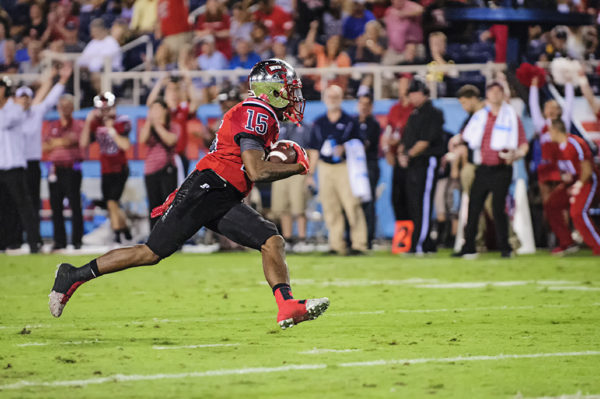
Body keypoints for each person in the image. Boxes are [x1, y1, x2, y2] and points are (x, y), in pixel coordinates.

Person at [49, 59, 329, 331]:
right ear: (272, 89)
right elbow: (256, 170)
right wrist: (297, 166)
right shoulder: (259, 111)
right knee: (150, 253)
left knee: (271, 240)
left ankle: (287, 305)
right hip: (209, 189)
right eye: (289, 87)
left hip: (222, 193)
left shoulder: (257, 113)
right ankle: (73, 275)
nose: (294, 95)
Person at [453, 81, 529, 258]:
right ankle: (468, 246)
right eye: (492, 91)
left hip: (502, 168)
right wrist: (457, 140)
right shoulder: (480, 117)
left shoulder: (511, 116)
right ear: (487, 95)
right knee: (473, 207)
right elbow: (468, 136)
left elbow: (523, 143)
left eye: (498, 91)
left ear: (503, 94)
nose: (495, 95)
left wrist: (516, 154)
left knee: (497, 208)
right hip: (483, 168)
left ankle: (506, 247)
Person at [13, 63, 72, 248]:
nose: (24, 101)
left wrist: (61, 80)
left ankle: (33, 240)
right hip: (13, 165)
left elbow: (49, 99)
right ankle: (12, 239)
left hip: (31, 164)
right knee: (12, 204)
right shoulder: (8, 115)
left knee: (32, 203)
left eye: (27, 98)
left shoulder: (35, 113)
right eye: (21, 98)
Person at [306, 85, 368, 255]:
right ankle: (336, 244)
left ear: (341, 99)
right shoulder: (319, 123)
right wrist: (311, 173)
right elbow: (314, 150)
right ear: (325, 99)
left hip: (345, 167)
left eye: (335, 96)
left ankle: (359, 243)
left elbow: (362, 144)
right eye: (329, 96)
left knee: (352, 205)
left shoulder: (350, 121)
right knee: (329, 207)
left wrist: (346, 147)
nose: (332, 100)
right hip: (326, 168)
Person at [397, 79, 444, 254]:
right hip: (413, 164)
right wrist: (402, 154)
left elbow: (425, 141)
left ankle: (419, 242)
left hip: (426, 161)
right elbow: (406, 139)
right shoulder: (414, 113)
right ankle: (424, 243)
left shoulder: (433, 113)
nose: (412, 96)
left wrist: (407, 155)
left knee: (423, 203)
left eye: (414, 93)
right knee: (414, 203)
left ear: (423, 93)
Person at [80, 91, 133, 244]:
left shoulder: (121, 121)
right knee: (113, 204)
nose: (104, 112)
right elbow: (83, 143)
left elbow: (125, 145)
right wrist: (88, 121)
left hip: (120, 168)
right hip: (105, 168)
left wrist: (112, 130)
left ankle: (116, 236)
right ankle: (125, 229)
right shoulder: (96, 122)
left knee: (111, 202)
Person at [545, 119, 600, 256]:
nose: (549, 134)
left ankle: (598, 245)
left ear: (556, 130)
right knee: (552, 204)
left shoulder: (575, 143)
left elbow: (587, 170)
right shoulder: (557, 147)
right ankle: (567, 242)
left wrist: (578, 186)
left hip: (588, 180)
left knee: (578, 212)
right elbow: (567, 170)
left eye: (550, 131)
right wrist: (566, 180)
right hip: (574, 181)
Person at [0, 76, 42, 253]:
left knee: (24, 207)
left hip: (15, 167)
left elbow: (4, 122)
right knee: (3, 208)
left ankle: (34, 243)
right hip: (1, 168)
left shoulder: (15, 109)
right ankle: (5, 243)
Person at [42, 94, 84, 251]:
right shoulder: (53, 125)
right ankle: (59, 241)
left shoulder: (78, 124)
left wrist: (55, 142)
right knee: (55, 206)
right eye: (62, 106)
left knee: (75, 205)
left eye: (68, 106)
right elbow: (45, 147)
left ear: (72, 108)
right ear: (58, 108)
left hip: (71, 168)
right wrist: (61, 142)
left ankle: (76, 240)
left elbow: (71, 140)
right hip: (54, 169)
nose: (64, 109)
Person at [146, 75, 200, 181]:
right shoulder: (162, 111)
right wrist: (160, 83)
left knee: (178, 191)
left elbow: (195, 103)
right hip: (166, 157)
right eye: (170, 89)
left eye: (176, 89)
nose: (174, 93)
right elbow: (150, 104)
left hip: (180, 156)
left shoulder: (181, 110)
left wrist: (188, 82)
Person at [270, 120, 310, 250]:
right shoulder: (276, 126)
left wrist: (309, 173)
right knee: (283, 207)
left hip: (298, 169)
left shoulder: (305, 127)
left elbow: (310, 151)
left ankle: (302, 239)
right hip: (279, 170)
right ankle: (287, 239)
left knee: (299, 206)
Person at [140, 99, 179, 229]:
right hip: (151, 170)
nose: (154, 112)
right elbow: (142, 139)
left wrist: (157, 125)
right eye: (152, 109)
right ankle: (154, 238)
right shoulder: (148, 127)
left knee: (168, 205)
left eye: (157, 109)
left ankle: (170, 236)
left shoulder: (173, 126)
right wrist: (149, 122)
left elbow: (170, 140)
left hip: (167, 169)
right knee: (153, 205)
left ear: (165, 110)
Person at [383, 74, 413, 222]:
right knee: (396, 197)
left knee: (412, 198)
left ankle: (414, 233)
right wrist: (387, 150)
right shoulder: (394, 108)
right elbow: (388, 132)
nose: (402, 89)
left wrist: (400, 142)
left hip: (411, 159)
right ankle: (402, 232)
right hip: (396, 159)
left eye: (405, 85)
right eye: (400, 85)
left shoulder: (416, 109)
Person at [355, 93, 381, 249]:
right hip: (354, 167)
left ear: (371, 107)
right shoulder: (353, 122)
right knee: (352, 203)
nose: (363, 107)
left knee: (368, 202)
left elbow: (363, 145)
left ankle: (368, 238)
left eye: (367, 104)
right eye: (361, 103)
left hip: (368, 166)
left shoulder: (374, 124)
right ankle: (353, 237)